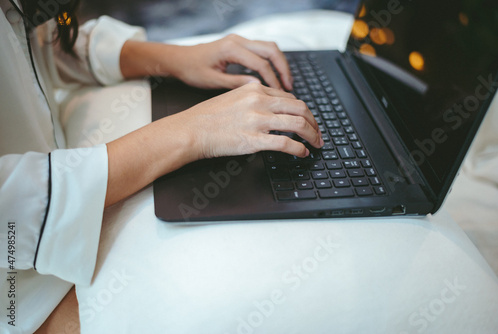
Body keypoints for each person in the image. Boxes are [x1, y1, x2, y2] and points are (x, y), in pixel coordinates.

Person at [0, 0, 323, 332]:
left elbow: (40, 44)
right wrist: (193, 130)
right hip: (21, 298)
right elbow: (10, 207)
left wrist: (179, 58)